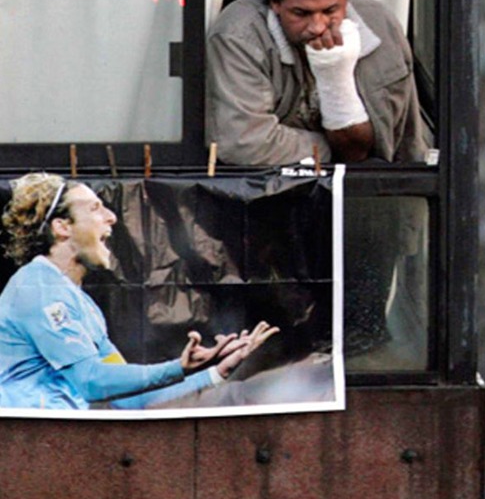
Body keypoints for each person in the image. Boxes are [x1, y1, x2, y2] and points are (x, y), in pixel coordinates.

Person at [0, 173, 277, 410]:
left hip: (53, 443)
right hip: (23, 443)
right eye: (95, 208)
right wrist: (178, 368)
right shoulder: (37, 288)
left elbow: (130, 400)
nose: (111, 217)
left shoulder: (81, 304)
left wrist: (216, 372)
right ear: (62, 227)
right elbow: (90, 381)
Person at [207, 0, 432, 165]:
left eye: (330, 11)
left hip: (374, 189)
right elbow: (245, 143)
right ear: (275, 2)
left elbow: (400, 137)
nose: (317, 26)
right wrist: (337, 149)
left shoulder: (379, 26)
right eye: (301, 14)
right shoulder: (239, 36)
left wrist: (335, 78)